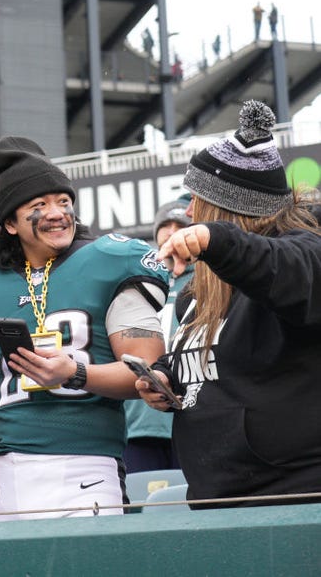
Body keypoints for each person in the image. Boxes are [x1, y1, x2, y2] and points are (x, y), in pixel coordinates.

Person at [0, 135, 169, 523]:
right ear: (11, 224)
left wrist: (76, 373)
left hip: (89, 463)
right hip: (9, 467)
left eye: (63, 202)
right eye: (39, 205)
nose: (57, 213)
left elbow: (149, 374)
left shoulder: (109, 260)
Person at [140, 100, 321, 509]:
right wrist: (164, 378)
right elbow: (214, 362)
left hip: (292, 498)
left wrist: (216, 240)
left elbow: (280, 269)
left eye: (196, 200)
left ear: (228, 207)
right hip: (214, 499)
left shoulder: (302, 255)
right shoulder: (197, 292)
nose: (188, 213)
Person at [123, 196, 192, 473]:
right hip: (139, 419)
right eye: (166, 224)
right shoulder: (140, 278)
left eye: (181, 225)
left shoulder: (209, 277)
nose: (173, 231)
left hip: (187, 416)